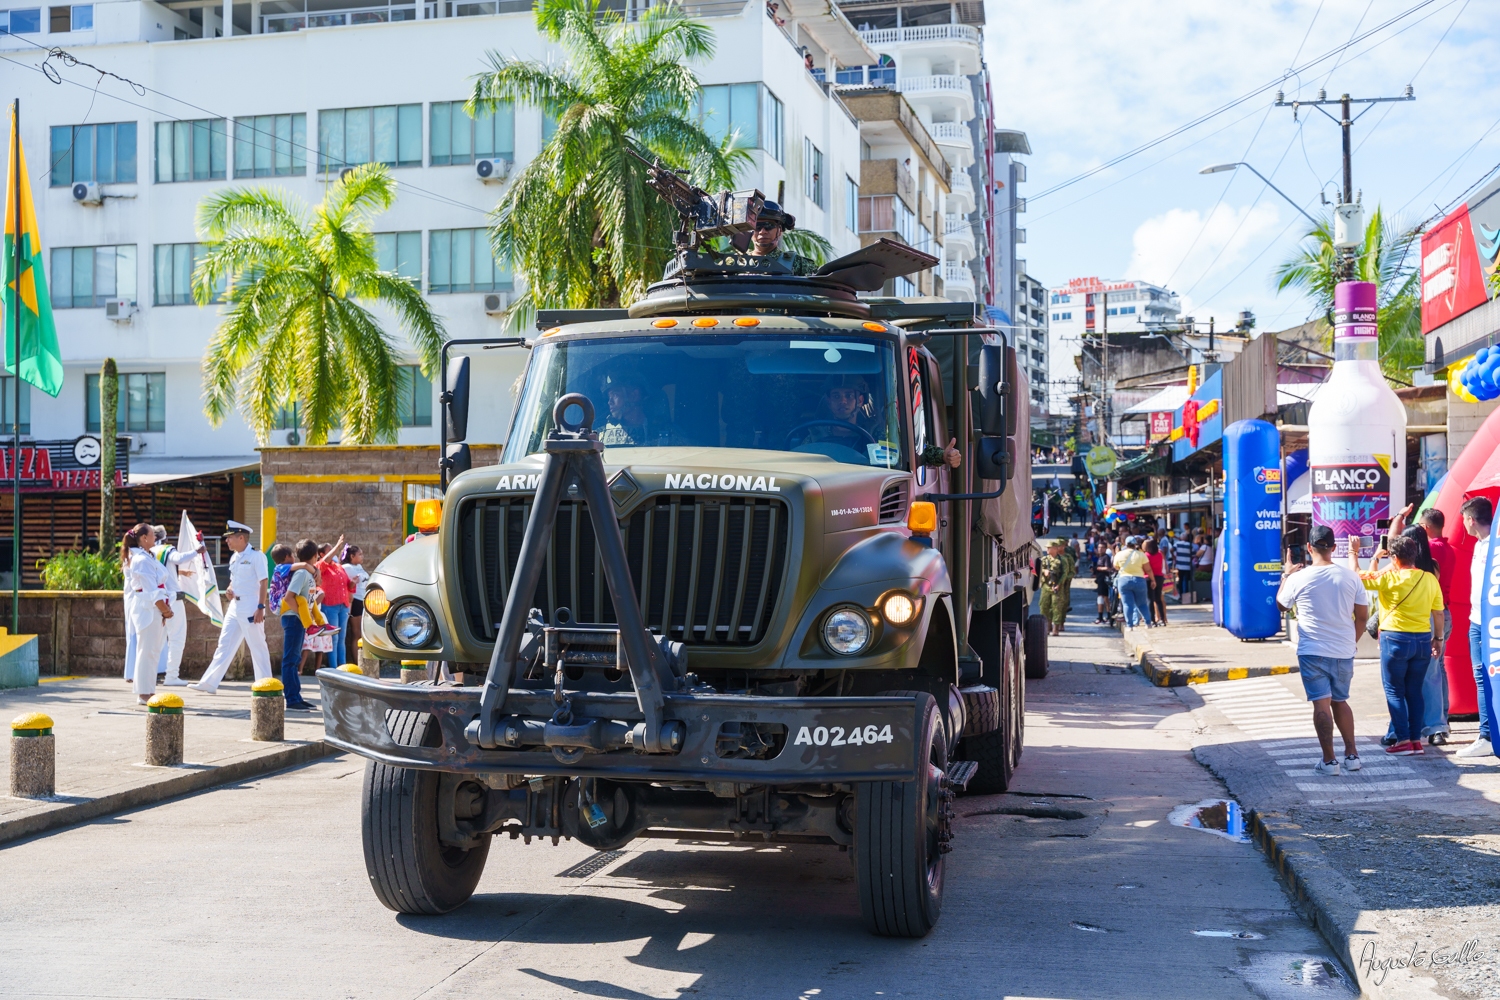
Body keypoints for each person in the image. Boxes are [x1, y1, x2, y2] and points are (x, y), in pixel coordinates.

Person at [1276, 525, 1370, 775]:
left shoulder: (1298, 578)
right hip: (1343, 651)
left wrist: (1285, 575)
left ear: (1309, 548)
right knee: (1341, 702)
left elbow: (1281, 606)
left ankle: (1329, 761)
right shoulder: (1351, 577)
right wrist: (1352, 641)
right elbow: (1362, 616)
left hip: (1312, 651)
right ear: (1334, 548)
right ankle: (1352, 755)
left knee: (1322, 705)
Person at [1351, 534, 1443, 756]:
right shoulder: (1429, 578)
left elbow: (1355, 576)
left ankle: (1402, 740)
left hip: (1395, 640)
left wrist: (1355, 552)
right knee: (1414, 692)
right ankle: (1415, 740)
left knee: (1394, 691)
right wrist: (1438, 638)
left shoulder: (1389, 577)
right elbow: (1438, 612)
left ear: (1393, 557)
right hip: (1422, 639)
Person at [190, 521, 272, 695]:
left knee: (257, 646)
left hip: (251, 604)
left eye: (229, 538)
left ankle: (266, 685)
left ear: (241, 537)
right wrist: (230, 588)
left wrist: (260, 606)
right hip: (235, 605)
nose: (227, 541)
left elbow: (264, 581)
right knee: (224, 644)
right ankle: (209, 682)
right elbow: (236, 579)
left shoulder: (257, 556)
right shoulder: (235, 557)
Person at [1459, 497, 1496, 758]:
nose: (1462, 525)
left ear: (1471, 520)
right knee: (1480, 678)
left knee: (1485, 679)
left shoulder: (1494, 545)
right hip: (1476, 620)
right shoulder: (1479, 545)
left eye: (1464, 519)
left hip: (1489, 623)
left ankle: (1487, 735)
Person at [122, 523, 173, 706]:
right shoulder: (141, 560)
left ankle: (149, 690)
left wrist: (165, 608)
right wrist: (165, 610)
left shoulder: (147, 556)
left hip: (155, 608)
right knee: (146, 651)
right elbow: (152, 591)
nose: (155, 537)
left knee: (153, 651)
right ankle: (144, 693)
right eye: (152, 534)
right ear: (144, 538)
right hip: (149, 609)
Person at [151, 524, 202, 687]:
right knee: (177, 638)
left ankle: (150, 674)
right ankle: (172, 675)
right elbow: (178, 559)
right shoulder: (167, 550)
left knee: (156, 640)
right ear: (165, 537)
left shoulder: (148, 552)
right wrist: (197, 551)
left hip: (156, 600)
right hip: (173, 599)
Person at [277, 539, 321, 711]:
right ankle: (292, 699)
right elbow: (289, 597)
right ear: (315, 555)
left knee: (294, 659)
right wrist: (302, 616)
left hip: (298, 619)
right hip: (293, 619)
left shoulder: (307, 573)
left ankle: (296, 696)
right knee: (290, 660)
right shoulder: (302, 574)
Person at [745, 201, 817, 276]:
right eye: (757, 227)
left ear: (779, 231)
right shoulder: (739, 262)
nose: (762, 232)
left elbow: (824, 278)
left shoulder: (797, 263)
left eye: (769, 226)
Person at [316, 538, 352, 669]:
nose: (333, 552)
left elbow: (347, 583)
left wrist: (352, 583)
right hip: (330, 605)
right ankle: (334, 667)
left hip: (343, 605)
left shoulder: (338, 566)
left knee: (342, 638)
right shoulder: (321, 566)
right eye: (329, 550)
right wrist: (337, 546)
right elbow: (324, 562)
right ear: (321, 554)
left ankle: (342, 666)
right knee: (334, 638)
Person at [1113, 537, 1151, 629]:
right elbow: (1148, 569)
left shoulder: (1119, 554)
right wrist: (1153, 580)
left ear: (1125, 544)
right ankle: (1148, 623)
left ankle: (1129, 625)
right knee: (1142, 604)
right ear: (1135, 545)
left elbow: (1116, 567)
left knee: (1127, 604)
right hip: (1139, 580)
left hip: (1124, 580)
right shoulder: (1141, 555)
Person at [342, 544, 369, 666]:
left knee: (363, 633)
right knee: (356, 633)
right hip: (356, 600)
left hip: (364, 599)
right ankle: (357, 662)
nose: (362, 556)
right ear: (352, 556)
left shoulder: (359, 566)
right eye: (360, 554)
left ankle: (364, 660)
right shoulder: (346, 567)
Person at [1039, 540, 1069, 636]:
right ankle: (1046, 627)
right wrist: (1044, 571)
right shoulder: (1044, 559)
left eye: (1049, 548)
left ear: (1055, 549)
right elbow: (1037, 569)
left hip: (1057, 587)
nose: (1047, 549)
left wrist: (1059, 584)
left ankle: (1056, 628)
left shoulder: (1062, 560)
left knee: (1057, 607)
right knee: (1044, 607)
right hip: (1046, 586)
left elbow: (1065, 573)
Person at [1143, 537, 1168, 627]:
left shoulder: (1146, 555)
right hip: (1159, 577)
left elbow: (1146, 568)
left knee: (1150, 599)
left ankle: (1152, 620)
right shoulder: (1159, 554)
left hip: (1148, 578)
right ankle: (1162, 619)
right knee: (1158, 599)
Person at [1092, 543, 1115, 624]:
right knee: (1101, 598)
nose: (1100, 549)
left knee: (1105, 598)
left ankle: (1107, 616)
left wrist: (1098, 568)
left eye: (1102, 547)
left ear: (1105, 549)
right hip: (1100, 580)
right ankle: (1101, 616)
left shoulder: (1106, 557)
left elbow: (1108, 568)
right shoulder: (1099, 557)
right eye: (1099, 547)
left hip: (1104, 580)